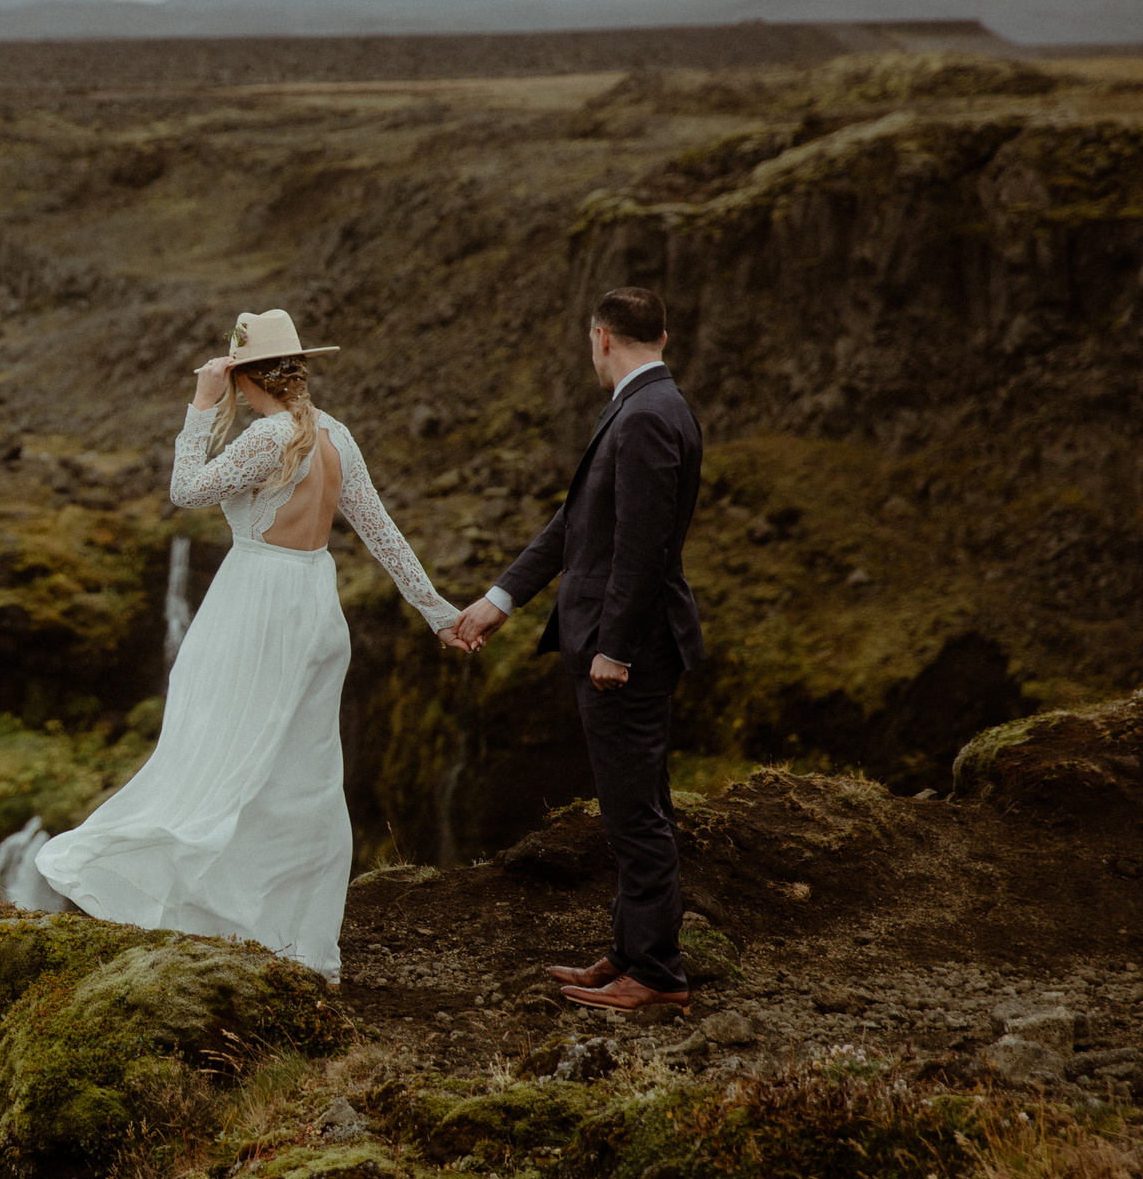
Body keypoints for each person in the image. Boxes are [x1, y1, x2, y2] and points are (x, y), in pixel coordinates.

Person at [34, 308, 461, 984]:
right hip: (317, 606)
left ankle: (218, 915)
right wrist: (438, 612)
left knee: (216, 750)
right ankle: (298, 940)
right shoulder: (337, 436)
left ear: (242, 376)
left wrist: (200, 408)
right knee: (302, 776)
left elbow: (184, 491)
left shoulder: (265, 440)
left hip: (255, 606)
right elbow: (383, 534)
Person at [449, 287, 704, 1010]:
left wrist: (614, 648)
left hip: (629, 651)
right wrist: (502, 600)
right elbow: (577, 522)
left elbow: (642, 548)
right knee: (631, 803)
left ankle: (655, 974)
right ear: (662, 333)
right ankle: (630, 951)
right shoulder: (643, 404)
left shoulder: (649, 414)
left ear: (600, 337)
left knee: (635, 811)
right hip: (618, 640)